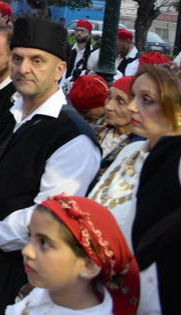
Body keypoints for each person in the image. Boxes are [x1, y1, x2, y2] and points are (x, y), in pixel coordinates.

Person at [0, 16, 100, 315]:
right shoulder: (14, 113)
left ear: (60, 69)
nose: (24, 68)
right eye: (17, 58)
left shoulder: (73, 137)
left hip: (23, 270)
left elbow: (48, 215)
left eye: (37, 60)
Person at [88, 63, 181, 314]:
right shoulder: (130, 151)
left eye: (146, 100)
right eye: (134, 97)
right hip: (100, 286)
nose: (131, 107)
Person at [9, 195, 139, 315]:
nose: (26, 251)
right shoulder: (43, 295)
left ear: (88, 265)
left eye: (44, 243)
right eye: (30, 236)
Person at [93, 75, 139, 178]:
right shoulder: (93, 131)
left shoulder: (138, 147)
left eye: (120, 101)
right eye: (108, 97)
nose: (108, 106)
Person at [64, 19, 99, 87]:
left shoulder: (94, 53)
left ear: (89, 35)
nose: (79, 33)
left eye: (83, 31)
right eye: (77, 30)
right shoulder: (68, 50)